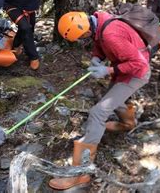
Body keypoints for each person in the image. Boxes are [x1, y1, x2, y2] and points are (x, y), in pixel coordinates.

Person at [49, 10, 151, 190]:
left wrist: (108, 71)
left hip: (136, 74)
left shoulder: (110, 34)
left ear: (86, 30)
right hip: (126, 69)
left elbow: (139, 63)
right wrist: (97, 58)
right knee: (113, 97)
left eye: (82, 37)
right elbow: (100, 43)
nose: (83, 39)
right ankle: (129, 124)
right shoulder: (98, 21)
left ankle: (80, 173)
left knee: (97, 113)